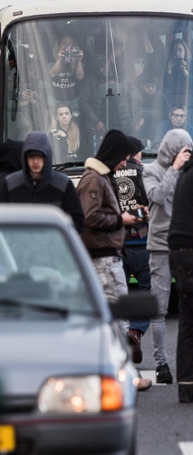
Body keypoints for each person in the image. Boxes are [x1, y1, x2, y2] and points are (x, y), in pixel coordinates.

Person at [77, 129, 153, 391]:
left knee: (108, 320)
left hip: (106, 257)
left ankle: (110, 374)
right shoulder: (94, 180)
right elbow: (90, 218)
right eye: (122, 157)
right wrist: (122, 220)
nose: (125, 162)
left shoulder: (100, 178)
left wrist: (129, 213)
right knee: (120, 318)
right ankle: (127, 377)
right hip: (104, 259)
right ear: (112, 155)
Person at [143, 129, 192, 385]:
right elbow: (158, 197)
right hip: (161, 244)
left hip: (186, 246)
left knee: (189, 308)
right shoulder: (150, 170)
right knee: (160, 308)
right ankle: (161, 363)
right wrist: (174, 169)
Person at [0, 132, 85, 234]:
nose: (35, 161)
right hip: (19, 247)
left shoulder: (63, 184)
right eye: (31, 156)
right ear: (24, 157)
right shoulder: (10, 184)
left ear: (47, 156)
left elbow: (78, 220)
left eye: (40, 156)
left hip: (51, 247)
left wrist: (59, 242)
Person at [115, 137, 152, 363]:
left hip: (117, 244)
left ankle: (119, 337)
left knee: (120, 290)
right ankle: (136, 331)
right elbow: (152, 205)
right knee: (148, 289)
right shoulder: (144, 174)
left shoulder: (109, 175)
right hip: (142, 243)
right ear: (136, 153)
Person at [168, 156, 193, 402]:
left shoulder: (187, 173)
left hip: (179, 253)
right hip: (190, 252)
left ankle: (187, 386)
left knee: (187, 322)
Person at [79, 55, 135, 156]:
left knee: (122, 158)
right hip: (99, 126)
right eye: (97, 68)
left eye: (103, 66)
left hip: (121, 124)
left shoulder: (121, 76)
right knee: (98, 160)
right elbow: (83, 101)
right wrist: (96, 121)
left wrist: (118, 87)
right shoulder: (91, 79)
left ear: (109, 63)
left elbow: (135, 98)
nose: (101, 70)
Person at [47, 35, 85, 111]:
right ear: (59, 45)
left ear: (74, 46)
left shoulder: (77, 61)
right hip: (54, 102)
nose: (67, 45)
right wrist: (59, 59)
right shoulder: (51, 59)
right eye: (64, 43)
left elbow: (80, 77)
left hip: (73, 102)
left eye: (70, 43)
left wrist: (79, 61)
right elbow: (52, 74)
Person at [133, 73, 170, 145]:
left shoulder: (160, 96)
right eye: (148, 86)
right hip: (137, 132)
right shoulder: (135, 97)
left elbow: (166, 115)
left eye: (153, 86)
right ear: (141, 86)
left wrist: (144, 117)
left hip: (155, 132)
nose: (151, 89)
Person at [164, 39, 191, 108]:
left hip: (188, 100)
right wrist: (169, 71)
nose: (177, 53)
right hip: (172, 101)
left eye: (180, 50)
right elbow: (167, 86)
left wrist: (185, 71)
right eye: (174, 50)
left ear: (185, 51)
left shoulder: (191, 64)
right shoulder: (167, 65)